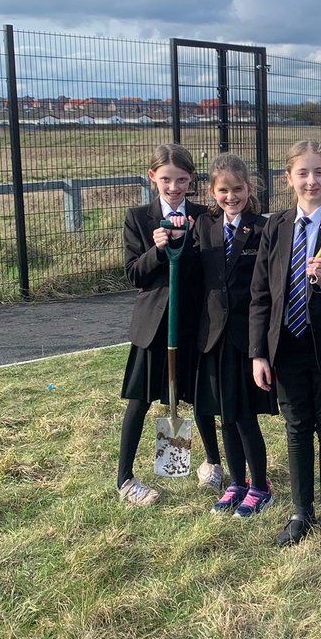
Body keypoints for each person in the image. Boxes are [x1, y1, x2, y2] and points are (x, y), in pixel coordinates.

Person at [250, 141, 321, 550]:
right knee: (297, 429)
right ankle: (301, 512)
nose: (311, 180)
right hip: (287, 345)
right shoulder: (276, 226)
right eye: (303, 173)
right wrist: (258, 352)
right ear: (289, 178)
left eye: (319, 172)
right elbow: (261, 294)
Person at [117, 142, 224, 505]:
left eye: (181, 180)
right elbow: (134, 274)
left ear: (191, 179)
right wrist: (157, 249)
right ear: (152, 178)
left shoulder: (204, 216)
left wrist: (192, 241)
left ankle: (212, 464)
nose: (174, 187)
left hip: (193, 322)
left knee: (200, 397)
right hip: (154, 325)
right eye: (166, 179)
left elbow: (209, 272)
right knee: (140, 399)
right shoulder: (138, 217)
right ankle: (125, 479)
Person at [192, 153, 278, 518]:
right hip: (213, 336)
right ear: (212, 192)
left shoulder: (263, 228)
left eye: (238, 189)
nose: (231, 196)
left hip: (247, 336)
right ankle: (235, 482)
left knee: (244, 415)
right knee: (224, 413)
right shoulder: (204, 226)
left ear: (250, 188)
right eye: (223, 190)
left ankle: (260, 485)